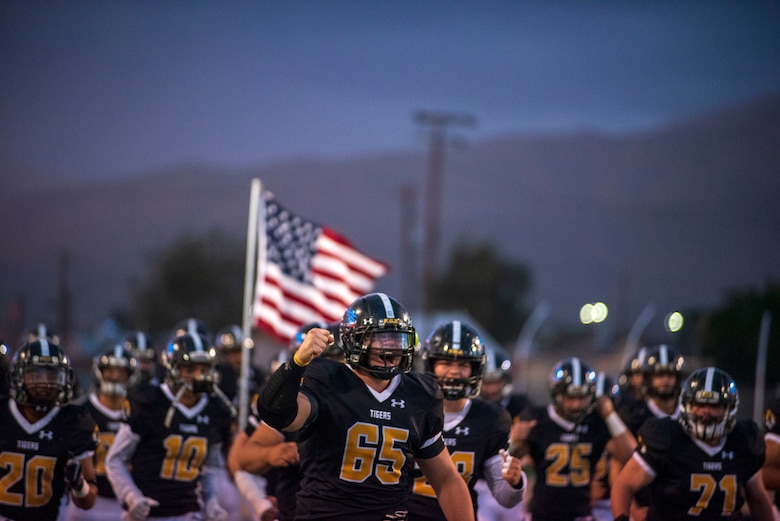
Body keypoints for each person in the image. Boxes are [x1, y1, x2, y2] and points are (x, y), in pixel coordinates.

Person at [256, 292, 475, 521]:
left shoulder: (420, 394)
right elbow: (276, 413)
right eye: (380, 339)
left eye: (397, 339)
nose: (390, 350)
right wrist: (297, 362)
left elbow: (446, 479)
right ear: (353, 340)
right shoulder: (328, 378)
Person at [611, 367, 774, 521]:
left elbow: (758, 499)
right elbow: (624, 485)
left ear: (729, 408)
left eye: (714, 405)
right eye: (699, 404)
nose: (705, 412)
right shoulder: (667, 437)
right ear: (687, 405)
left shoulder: (743, 442)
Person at [105, 332, 233, 521]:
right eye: (190, 370)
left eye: (204, 369)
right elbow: (115, 459)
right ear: (173, 368)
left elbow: (211, 466)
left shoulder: (216, 409)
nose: (199, 376)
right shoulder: (150, 401)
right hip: (147, 511)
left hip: (189, 512)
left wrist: (212, 501)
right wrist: (132, 496)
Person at [407, 321, 525, 521]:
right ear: (431, 365)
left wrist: (514, 483)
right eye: (445, 363)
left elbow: (505, 498)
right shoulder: (410, 408)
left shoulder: (490, 418)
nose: (454, 371)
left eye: (463, 364)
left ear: (476, 369)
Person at [231, 321, 346, 521]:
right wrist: (270, 454)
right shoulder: (295, 402)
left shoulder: (371, 396)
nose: (319, 366)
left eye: (334, 358)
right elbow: (242, 458)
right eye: (310, 358)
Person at [510, 356, 636, 521]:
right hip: (542, 515)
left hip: (581, 515)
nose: (576, 404)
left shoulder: (594, 423)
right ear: (557, 395)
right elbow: (509, 462)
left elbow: (630, 456)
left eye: (581, 398)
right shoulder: (538, 420)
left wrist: (610, 415)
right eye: (570, 398)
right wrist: (515, 441)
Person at [0, 338, 99, 520]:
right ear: (18, 376)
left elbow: (88, 502)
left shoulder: (74, 421)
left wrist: (79, 486)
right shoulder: (3, 413)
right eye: (36, 375)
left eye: (52, 376)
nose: (45, 383)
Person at [62, 344, 138, 521]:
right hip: (86, 500)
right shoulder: (81, 411)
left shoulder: (139, 412)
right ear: (99, 372)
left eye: (122, 372)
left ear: (131, 376)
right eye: (110, 370)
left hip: (125, 501)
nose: (116, 376)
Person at [474, 345, 534, 521]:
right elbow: (480, 451)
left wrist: (516, 444)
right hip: (481, 484)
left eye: (496, 382)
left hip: (512, 481)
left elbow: (526, 449)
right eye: (487, 382)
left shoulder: (520, 405)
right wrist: (512, 442)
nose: (492, 389)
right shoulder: (473, 409)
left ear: (505, 380)